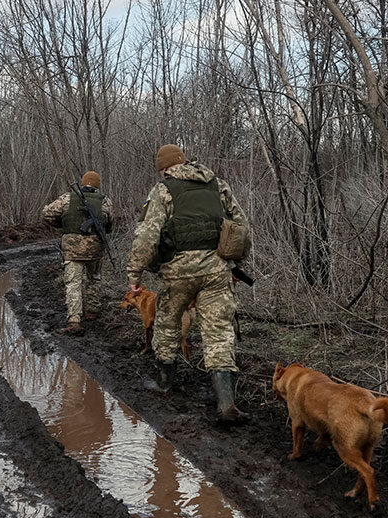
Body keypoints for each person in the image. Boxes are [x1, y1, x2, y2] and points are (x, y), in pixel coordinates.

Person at [126, 145, 251, 421]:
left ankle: (164, 384)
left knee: (167, 325)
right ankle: (226, 403)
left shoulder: (163, 190)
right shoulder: (217, 185)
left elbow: (146, 237)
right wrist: (237, 264)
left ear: (164, 168)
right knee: (219, 332)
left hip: (178, 272)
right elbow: (241, 227)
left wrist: (134, 275)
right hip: (216, 270)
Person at [42, 171, 115, 335]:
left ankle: (74, 319)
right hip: (95, 249)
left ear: (82, 183)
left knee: (73, 284)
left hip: (72, 250)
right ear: (98, 185)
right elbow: (110, 225)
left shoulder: (67, 198)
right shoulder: (105, 201)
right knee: (94, 279)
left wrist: (61, 223)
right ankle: (92, 311)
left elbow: (46, 213)